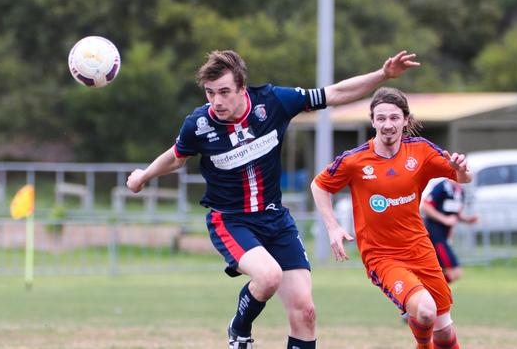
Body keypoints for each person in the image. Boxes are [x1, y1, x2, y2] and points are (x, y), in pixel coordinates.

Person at [127, 50, 419, 349]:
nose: (217, 101)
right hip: (231, 220)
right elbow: (176, 157)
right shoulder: (199, 124)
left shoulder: (273, 102)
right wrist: (143, 176)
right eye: (210, 93)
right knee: (268, 277)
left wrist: (383, 75)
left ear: (242, 88)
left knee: (305, 312)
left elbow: (334, 92)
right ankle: (240, 328)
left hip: (275, 219)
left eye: (225, 92)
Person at [311, 87, 470, 349]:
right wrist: (332, 227)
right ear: (372, 120)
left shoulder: (420, 151)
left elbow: (463, 178)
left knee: (444, 333)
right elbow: (319, 185)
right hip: (382, 256)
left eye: (394, 118)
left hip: (421, 250)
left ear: (406, 120)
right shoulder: (355, 161)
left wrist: (461, 170)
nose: (388, 124)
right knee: (426, 312)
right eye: (381, 118)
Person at [422, 178, 478, 283]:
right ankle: (427, 289)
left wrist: (468, 219)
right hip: (435, 236)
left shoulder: (460, 190)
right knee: (454, 272)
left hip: (445, 237)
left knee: (450, 274)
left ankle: (428, 290)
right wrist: (444, 219)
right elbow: (426, 206)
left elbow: (456, 214)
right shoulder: (442, 186)